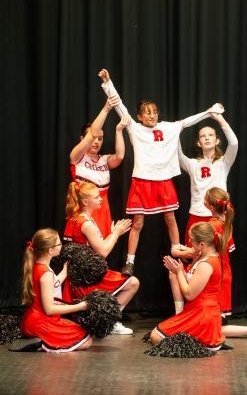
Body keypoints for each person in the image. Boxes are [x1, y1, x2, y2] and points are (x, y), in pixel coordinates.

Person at [99, 68, 225, 276]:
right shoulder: (135, 128)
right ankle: (130, 261)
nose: (152, 115)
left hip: (164, 181)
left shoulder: (169, 127)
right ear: (139, 116)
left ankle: (177, 252)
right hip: (142, 180)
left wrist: (209, 112)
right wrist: (107, 82)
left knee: (170, 218)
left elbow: (188, 121)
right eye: (147, 112)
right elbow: (119, 105)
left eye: (154, 111)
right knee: (137, 223)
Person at [150, 222, 247, 349]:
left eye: (192, 240)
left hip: (202, 313)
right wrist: (179, 271)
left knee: (156, 336)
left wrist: (179, 272)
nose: (189, 242)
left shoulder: (206, 264)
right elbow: (193, 281)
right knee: (218, 330)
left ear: (202, 245)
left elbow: (189, 294)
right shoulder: (202, 256)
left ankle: (198, 340)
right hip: (201, 311)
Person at [63, 181, 140, 335]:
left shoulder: (75, 218)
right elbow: (103, 252)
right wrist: (116, 233)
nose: (100, 199)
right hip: (86, 277)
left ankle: (104, 317)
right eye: (97, 197)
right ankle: (109, 320)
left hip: (79, 274)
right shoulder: (86, 224)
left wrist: (112, 234)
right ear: (85, 202)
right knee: (133, 283)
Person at [68, 94, 131, 238]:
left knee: (103, 249)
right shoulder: (77, 157)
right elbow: (92, 134)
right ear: (82, 139)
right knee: (84, 251)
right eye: (94, 138)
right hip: (83, 208)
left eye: (100, 139)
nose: (96, 142)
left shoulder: (104, 159)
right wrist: (106, 108)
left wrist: (119, 130)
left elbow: (120, 156)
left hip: (102, 209)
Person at [21, 228, 92, 353]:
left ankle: (40, 340)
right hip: (41, 323)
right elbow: (50, 309)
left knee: (81, 332)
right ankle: (42, 343)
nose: (61, 246)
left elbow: (53, 285)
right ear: (50, 250)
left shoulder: (39, 266)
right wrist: (80, 306)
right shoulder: (46, 273)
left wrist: (65, 271)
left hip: (33, 321)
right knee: (86, 341)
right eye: (59, 244)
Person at [171, 187, 235, 316]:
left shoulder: (211, 226)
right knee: (218, 326)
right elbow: (203, 248)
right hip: (224, 271)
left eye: (205, 199)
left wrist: (177, 252)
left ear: (210, 207)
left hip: (213, 270)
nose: (203, 200)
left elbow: (195, 252)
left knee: (173, 272)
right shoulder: (227, 222)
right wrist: (186, 249)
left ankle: (180, 314)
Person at [178, 111, 238, 246]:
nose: (206, 138)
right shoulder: (192, 164)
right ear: (199, 143)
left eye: (210, 135)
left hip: (217, 216)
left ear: (217, 140)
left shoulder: (223, 162)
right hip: (196, 214)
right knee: (194, 254)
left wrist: (220, 119)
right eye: (202, 136)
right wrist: (177, 130)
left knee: (219, 253)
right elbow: (178, 155)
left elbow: (234, 144)